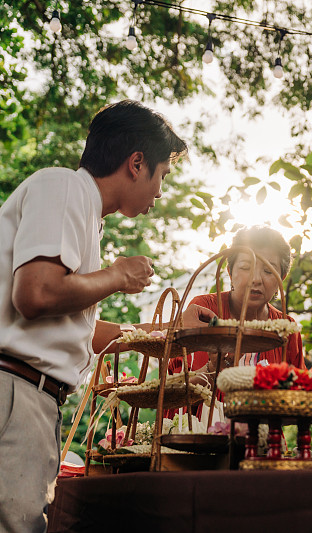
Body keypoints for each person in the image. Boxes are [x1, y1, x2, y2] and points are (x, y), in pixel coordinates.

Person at [0, 100, 187, 532]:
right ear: (136, 163)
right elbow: (38, 292)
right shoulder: (62, 186)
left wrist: (160, 337)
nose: (159, 193)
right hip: (14, 392)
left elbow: (70, 324)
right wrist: (117, 275)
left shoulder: (83, 210)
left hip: (30, 397)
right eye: (162, 176)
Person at [168, 225, 305, 420]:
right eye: (246, 267)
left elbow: (298, 397)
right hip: (201, 438)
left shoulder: (286, 328)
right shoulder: (204, 311)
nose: (255, 279)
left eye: (268, 271)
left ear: (280, 279)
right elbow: (174, 391)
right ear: (230, 272)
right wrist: (211, 369)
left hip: (262, 442)